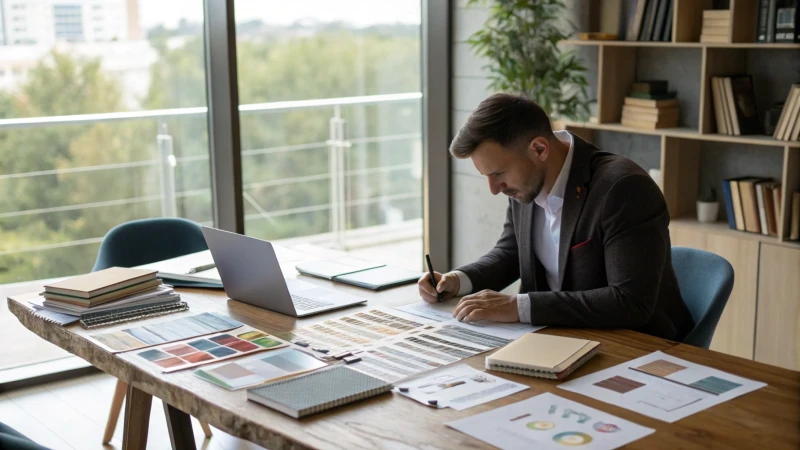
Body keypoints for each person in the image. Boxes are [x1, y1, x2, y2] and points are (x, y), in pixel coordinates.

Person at [418, 93, 694, 341]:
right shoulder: (524, 183)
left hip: (634, 345)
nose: (494, 189)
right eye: (487, 177)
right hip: (556, 339)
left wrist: (517, 306)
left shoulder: (623, 188)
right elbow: (510, 253)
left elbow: (629, 302)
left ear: (539, 149)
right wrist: (457, 280)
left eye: (498, 174)